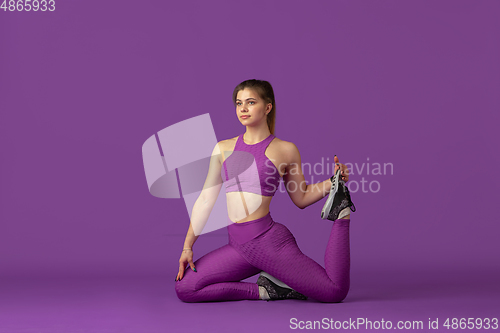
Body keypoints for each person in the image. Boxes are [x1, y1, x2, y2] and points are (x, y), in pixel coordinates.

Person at [174, 79, 353, 302]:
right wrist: (187, 246)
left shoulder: (285, 150)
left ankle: (342, 213)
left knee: (333, 292)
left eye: (250, 102)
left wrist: (333, 182)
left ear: (267, 107)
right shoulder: (223, 148)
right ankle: (267, 291)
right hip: (238, 246)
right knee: (185, 288)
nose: (243, 109)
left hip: (269, 244)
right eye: (239, 103)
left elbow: (301, 197)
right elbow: (205, 200)